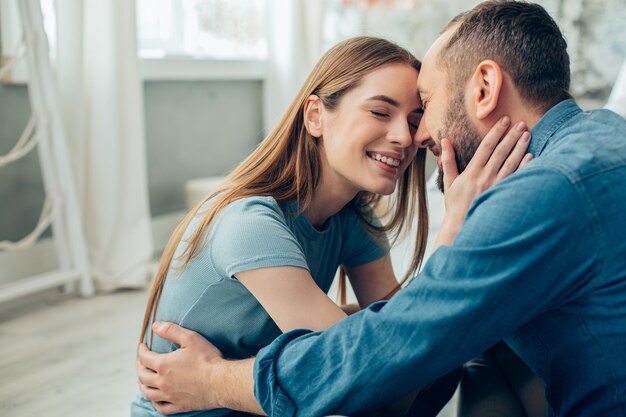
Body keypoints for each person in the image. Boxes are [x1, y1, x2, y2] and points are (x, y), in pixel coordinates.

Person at [140, 0, 626, 414]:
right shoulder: (599, 142)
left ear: (483, 89)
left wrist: (211, 379)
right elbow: (391, 348)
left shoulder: (543, 192)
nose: (413, 136)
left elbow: (387, 354)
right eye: (380, 111)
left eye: (423, 106)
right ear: (315, 115)